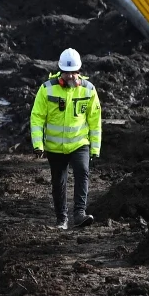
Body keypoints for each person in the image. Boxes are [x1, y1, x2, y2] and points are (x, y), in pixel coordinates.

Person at [30, 48, 102, 229]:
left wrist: (95, 148)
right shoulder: (47, 89)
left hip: (80, 143)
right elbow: (37, 117)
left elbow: (95, 121)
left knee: (82, 171)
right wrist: (38, 144)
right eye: (66, 72)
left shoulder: (89, 90)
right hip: (55, 147)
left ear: (79, 71)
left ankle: (79, 214)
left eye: (73, 72)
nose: (70, 76)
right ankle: (61, 220)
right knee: (58, 182)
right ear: (60, 70)